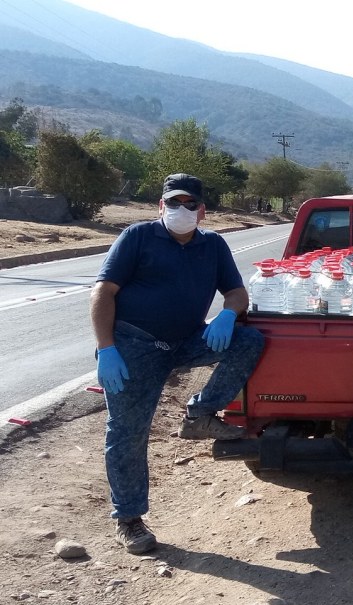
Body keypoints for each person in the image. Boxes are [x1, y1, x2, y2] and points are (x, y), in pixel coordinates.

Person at [91, 173, 265, 555]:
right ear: (161, 206)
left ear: (202, 211)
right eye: (174, 202)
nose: (181, 210)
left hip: (187, 339)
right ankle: (130, 519)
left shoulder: (213, 245)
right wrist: (106, 348)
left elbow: (236, 292)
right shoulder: (137, 237)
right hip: (134, 345)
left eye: (190, 204)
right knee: (127, 431)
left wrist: (228, 315)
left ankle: (200, 415)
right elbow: (104, 291)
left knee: (249, 340)